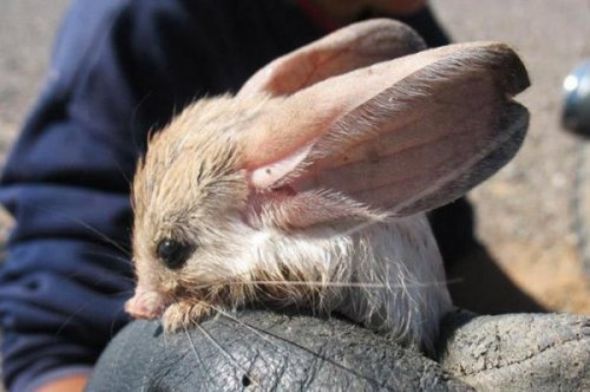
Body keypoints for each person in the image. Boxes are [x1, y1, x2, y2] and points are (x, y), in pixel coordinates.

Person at [0, 1, 460, 391]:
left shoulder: (407, 20)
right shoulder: (146, 20)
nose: (138, 301)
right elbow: (44, 321)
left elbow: (456, 237)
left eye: (171, 252)